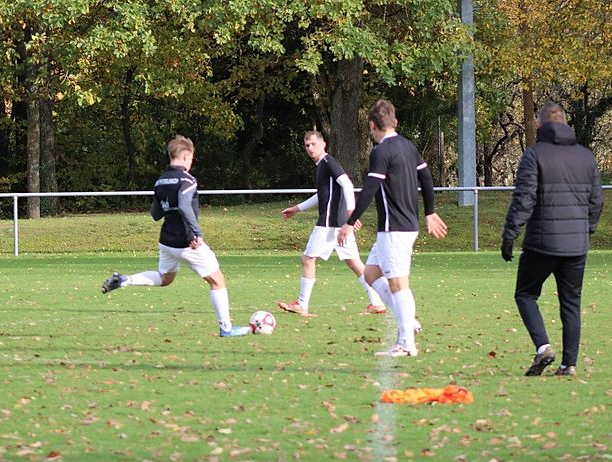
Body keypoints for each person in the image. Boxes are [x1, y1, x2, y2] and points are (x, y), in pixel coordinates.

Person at [101, 135, 250, 337]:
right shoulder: (188, 180)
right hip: (187, 242)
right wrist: (197, 232)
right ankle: (226, 328)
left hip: (167, 241)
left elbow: (155, 214)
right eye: (191, 158)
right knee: (217, 280)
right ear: (186, 156)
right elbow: (183, 205)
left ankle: (124, 280)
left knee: (165, 278)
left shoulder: (160, 181)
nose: (191, 162)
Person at [337, 99, 448, 357]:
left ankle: (406, 343)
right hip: (401, 226)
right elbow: (426, 177)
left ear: (372, 126)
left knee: (398, 284)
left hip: (394, 228)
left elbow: (370, 189)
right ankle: (408, 321)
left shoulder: (381, 151)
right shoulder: (408, 146)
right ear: (395, 122)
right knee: (371, 274)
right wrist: (429, 211)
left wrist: (349, 223)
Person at [501, 101, 603, 377]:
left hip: (542, 243)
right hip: (576, 246)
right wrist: (586, 230)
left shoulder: (534, 155)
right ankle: (569, 364)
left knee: (525, 294)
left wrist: (510, 234)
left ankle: (543, 347)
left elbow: (524, 199)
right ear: (565, 123)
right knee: (571, 302)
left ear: (540, 124)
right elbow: (596, 201)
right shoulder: (586, 157)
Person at [277, 131, 386, 316]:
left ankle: (302, 304)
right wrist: (297, 208)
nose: (310, 148)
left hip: (329, 224)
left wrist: (351, 212)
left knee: (307, 259)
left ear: (323, 144)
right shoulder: (321, 166)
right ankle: (377, 302)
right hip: (340, 224)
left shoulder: (328, 162)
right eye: (307, 145)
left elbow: (347, 184)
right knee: (354, 263)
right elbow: (322, 195)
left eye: (313, 144)